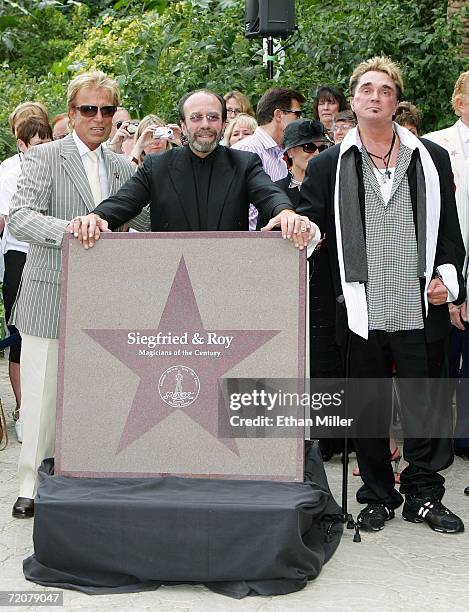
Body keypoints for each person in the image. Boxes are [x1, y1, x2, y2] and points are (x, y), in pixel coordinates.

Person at [297, 56, 465, 534]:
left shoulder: (430, 158)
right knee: (368, 407)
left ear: (397, 99)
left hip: (418, 303)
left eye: (385, 89)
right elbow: (313, 227)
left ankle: (425, 495)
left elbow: (449, 231)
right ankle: (376, 495)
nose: (375, 96)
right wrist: (297, 227)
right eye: (366, 88)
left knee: (426, 405)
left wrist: (447, 280)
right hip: (361, 308)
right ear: (353, 99)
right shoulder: (330, 163)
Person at [8, 71, 142, 519]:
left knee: (104, 392)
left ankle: (92, 478)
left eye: (106, 110)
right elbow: (22, 218)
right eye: (89, 109)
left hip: (109, 298)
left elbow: (143, 225)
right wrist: (72, 228)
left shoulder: (125, 166)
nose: (98, 118)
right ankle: (29, 485)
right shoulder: (44, 157)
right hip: (50, 293)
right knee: (43, 396)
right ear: (71, 112)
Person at [68, 89, 316, 252]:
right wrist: (96, 216)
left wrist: (285, 213)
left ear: (222, 124)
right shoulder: (157, 166)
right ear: (183, 126)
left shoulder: (244, 163)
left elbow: (269, 193)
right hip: (170, 283)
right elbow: (124, 201)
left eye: (212, 117)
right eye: (196, 117)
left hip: (229, 280)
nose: (205, 125)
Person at [0, 116, 53, 444]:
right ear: (21, 145)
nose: (43, 149)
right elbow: (11, 222)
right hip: (20, 255)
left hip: (54, 254)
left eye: (47, 141)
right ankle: (23, 409)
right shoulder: (9, 172)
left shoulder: (58, 166)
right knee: (19, 334)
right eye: (37, 144)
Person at [425, 71, 469, 458]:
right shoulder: (435, 147)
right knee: (439, 371)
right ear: (458, 103)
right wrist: (456, 290)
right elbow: (444, 228)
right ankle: (436, 452)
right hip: (447, 279)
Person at [232, 87, 306, 229]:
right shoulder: (246, 150)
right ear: (278, 115)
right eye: (297, 114)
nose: (300, 120)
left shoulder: (279, 156)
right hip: (249, 245)